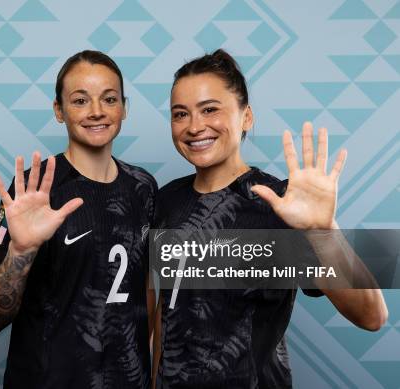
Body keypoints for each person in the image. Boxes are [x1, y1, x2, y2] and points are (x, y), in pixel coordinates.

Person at [152, 49, 388, 388]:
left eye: (210, 109)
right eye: (180, 114)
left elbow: (372, 316)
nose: (194, 126)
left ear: (246, 117)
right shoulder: (166, 200)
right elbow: (168, 312)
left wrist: (323, 231)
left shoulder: (280, 204)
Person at [0, 50, 158, 388]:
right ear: (59, 111)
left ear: (124, 108)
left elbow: (142, 289)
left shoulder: (144, 188)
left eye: (109, 98)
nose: (97, 111)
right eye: (80, 100)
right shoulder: (31, 190)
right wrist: (22, 250)